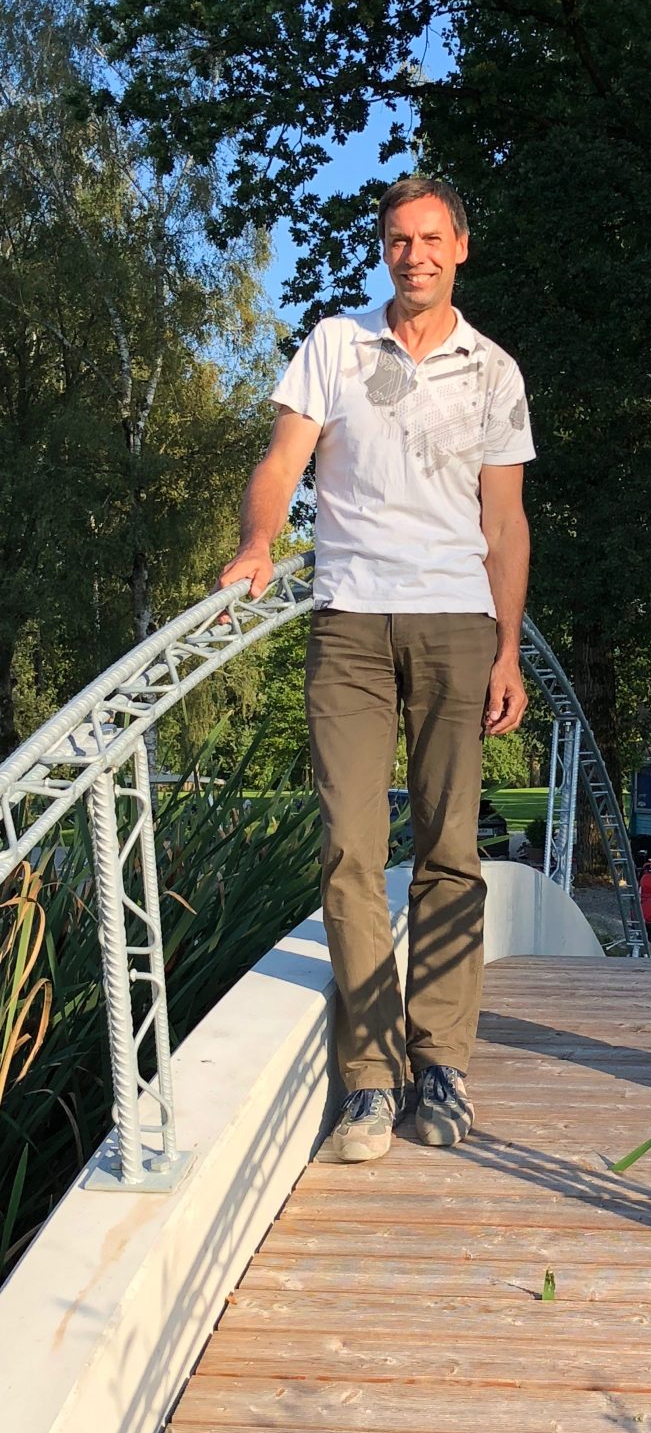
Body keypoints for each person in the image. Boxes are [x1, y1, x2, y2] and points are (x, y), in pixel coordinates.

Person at [218, 177, 533, 1160]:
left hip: (455, 621)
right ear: (384, 250)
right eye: (399, 240)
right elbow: (281, 459)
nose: (414, 255)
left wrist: (509, 647)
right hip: (349, 619)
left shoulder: (493, 370)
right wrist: (259, 542)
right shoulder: (334, 345)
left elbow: (505, 522)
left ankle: (441, 1065)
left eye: (431, 239)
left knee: (448, 849)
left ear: (462, 248)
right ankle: (369, 1080)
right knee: (352, 850)